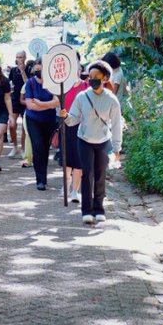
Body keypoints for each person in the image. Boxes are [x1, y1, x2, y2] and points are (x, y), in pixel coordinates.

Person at [61, 62, 125, 226]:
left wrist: (117, 148)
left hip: (103, 142)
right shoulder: (82, 96)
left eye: (97, 77)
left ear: (105, 78)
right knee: (87, 175)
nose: (93, 80)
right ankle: (86, 211)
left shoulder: (112, 100)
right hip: (84, 140)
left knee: (100, 176)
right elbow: (73, 119)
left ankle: (99, 209)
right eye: (90, 77)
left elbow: (117, 125)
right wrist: (66, 116)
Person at [21, 57, 60, 190]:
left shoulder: (53, 84)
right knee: (37, 146)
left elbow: (57, 102)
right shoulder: (30, 83)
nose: (38, 71)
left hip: (49, 120)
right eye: (36, 69)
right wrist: (47, 105)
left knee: (44, 148)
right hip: (33, 120)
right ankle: (40, 179)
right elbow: (30, 105)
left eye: (40, 69)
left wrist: (41, 103)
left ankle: (44, 175)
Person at [61, 65, 90, 202]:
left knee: (79, 160)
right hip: (67, 124)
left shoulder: (87, 86)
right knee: (67, 159)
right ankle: (66, 187)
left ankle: (75, 191)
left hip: (83, 126)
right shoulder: (63, 87)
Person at [7, 52, 28, 158]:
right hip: (15, 99)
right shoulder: (13, 70)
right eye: (17, 57)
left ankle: (24, 149)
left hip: (25, 100)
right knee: (11, 124)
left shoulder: (29, 69)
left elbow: (28, 83)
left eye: (20, 57)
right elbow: (9, 83)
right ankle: (15, 147)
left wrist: (22, 70)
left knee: (25, 126)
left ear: (25, 58)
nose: (18, 59)